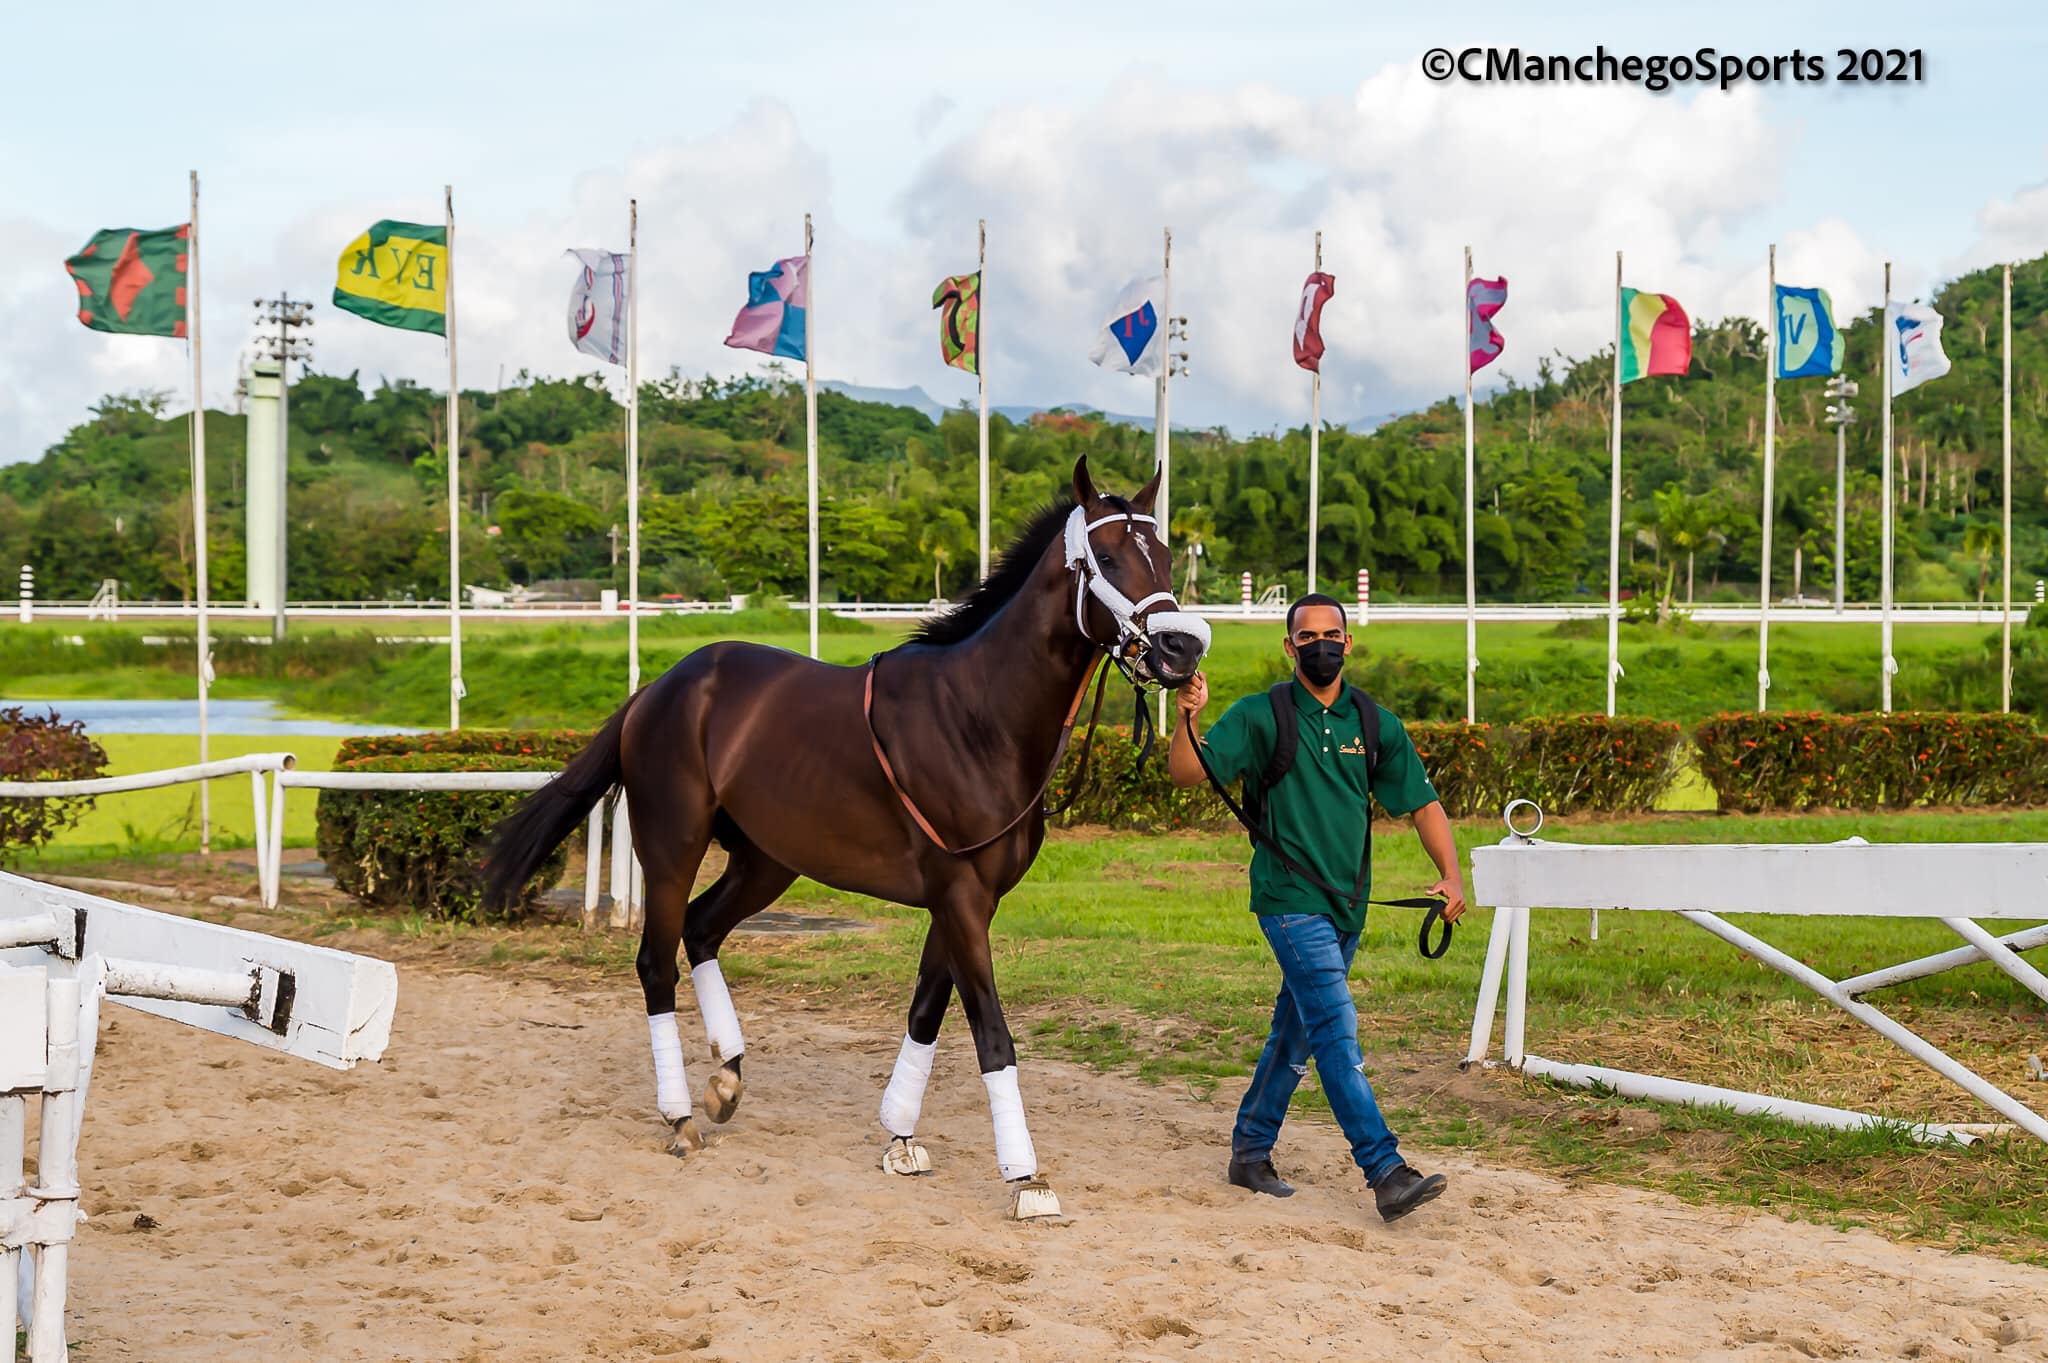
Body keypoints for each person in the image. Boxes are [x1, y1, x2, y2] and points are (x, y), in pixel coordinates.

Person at [1167, 593, 1467, 1222]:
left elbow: (1422, 803)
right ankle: (1385, 1170)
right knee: (1334, 1027)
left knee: (1296, 1031)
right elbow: (1188, 774)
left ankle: (1250, 1152)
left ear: (1348, 643)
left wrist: (1450, 873)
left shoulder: (1374, 722)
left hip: (1347, 905)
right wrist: (1188, 716)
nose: (1321, 645)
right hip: (1288, 899)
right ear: (1290, 646)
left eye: (1332, 634)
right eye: (1308, 637)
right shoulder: (1260, 715)